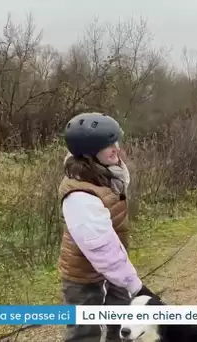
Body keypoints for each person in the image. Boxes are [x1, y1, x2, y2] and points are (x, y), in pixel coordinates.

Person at [58, 112, 154, 342]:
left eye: (115, 142)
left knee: (121, 323)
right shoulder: (79, 194)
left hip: (113, 266)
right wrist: (136, 287)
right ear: (89, 153)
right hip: (84, 274)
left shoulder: (107, 172)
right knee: (84, 333)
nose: (116, 149)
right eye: (107, 145)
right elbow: (101, 246)